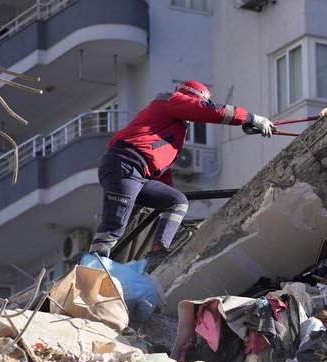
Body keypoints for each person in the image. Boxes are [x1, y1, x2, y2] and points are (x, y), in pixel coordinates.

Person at [88, 80, 274, 264]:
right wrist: (252, 118)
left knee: (176, 201)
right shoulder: (174, 101)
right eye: (201, 103)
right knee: (114, 226)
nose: (196, 114)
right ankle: (90, 270)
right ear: (194, 98)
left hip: (134, 171)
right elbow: (212, 111)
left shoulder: (172, 124)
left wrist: (174, 225)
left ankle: (158, 252)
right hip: (126, 165)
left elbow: (161, 174)